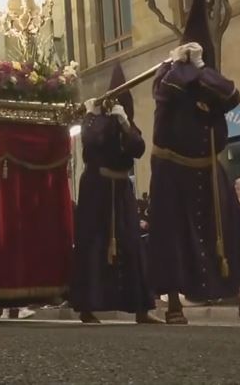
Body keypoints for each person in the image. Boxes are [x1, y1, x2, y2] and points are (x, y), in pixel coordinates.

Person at [146, 0, 240, 325]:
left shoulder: (206, 81)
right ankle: (173, 304)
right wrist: (178, 65)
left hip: (206, 166)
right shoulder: (168, 76)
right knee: (173, 236)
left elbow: (232, 95)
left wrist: (202, 69)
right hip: (172, 169)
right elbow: (167, 91)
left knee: (231, 232)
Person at [70, 66, 162, 325]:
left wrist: (124, 122)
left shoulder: (127, 125)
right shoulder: (96, 122)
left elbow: (138, 149)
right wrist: (89, 114)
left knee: (132, 246)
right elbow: (90, 139)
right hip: (96, 190)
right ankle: (87, 306)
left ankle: (142, 308)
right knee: (93, 245)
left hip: (121, 192)